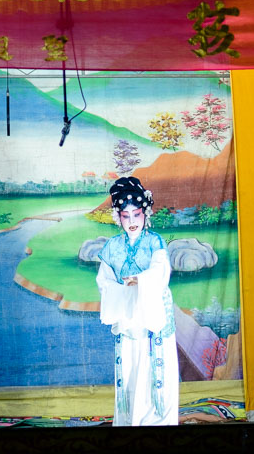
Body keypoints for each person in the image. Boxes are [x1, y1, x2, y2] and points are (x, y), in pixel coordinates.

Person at [96, 176, 178, 426]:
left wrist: (140, 281)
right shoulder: (111, 247)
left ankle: (158, 424)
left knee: (153, 373)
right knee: (131, 373)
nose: (132, 221)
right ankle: (129, 424)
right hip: (128, 318)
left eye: (136, 214)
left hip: (152, 319)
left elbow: (160, 272)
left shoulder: (155, 242)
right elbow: (104, 281)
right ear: (117, 217)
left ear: (146, 213)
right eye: (125, 215)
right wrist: (121, 290)